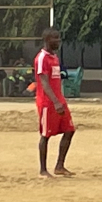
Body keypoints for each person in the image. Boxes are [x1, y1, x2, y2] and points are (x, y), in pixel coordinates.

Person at [34, 28, 75, 177]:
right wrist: (55, 102)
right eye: (55, 38)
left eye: (59, 38)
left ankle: (60, 166)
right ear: (47, 40)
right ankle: (43, 170)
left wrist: (60, 101)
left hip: (59, 100)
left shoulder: (55, 57)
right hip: (47, 102)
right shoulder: (42, 58)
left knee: (70, 130)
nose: (58, 41)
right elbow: (44, 83)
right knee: (46, 135)